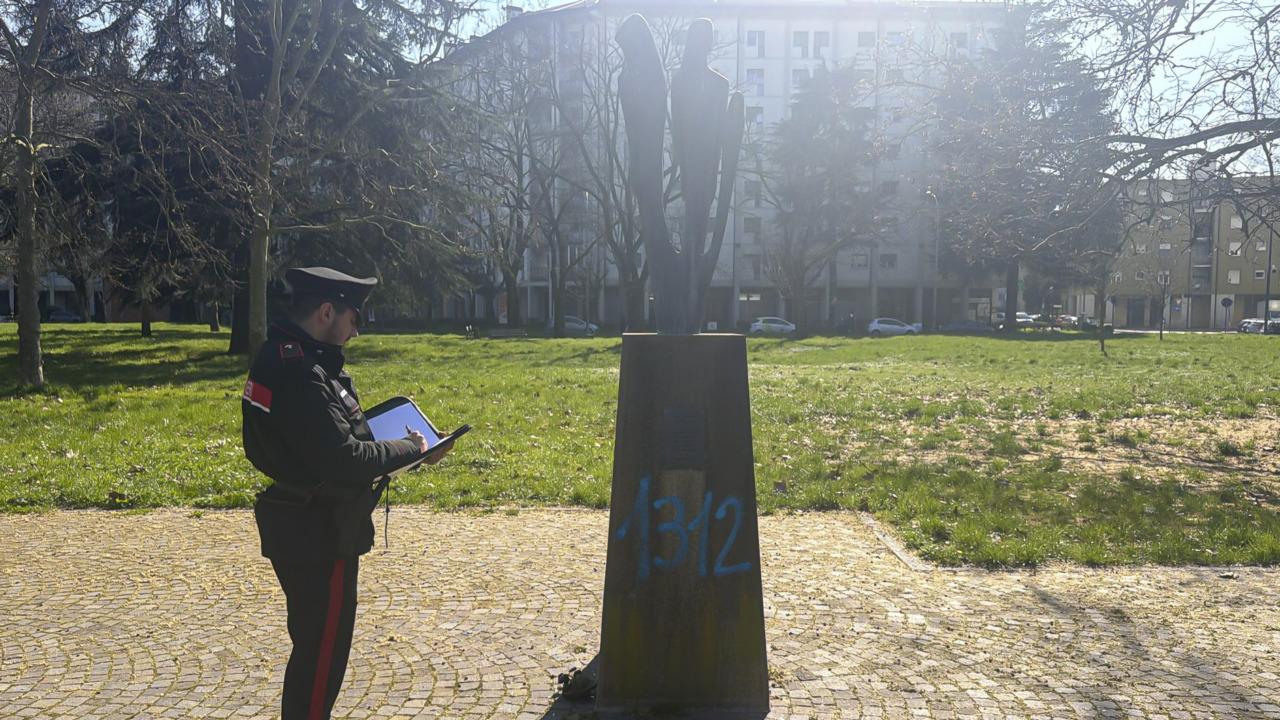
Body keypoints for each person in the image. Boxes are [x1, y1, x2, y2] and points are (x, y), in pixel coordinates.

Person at [241, 266, 452, 720]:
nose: (356, 331)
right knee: (321, 656)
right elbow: (344, 458)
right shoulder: (301, 372)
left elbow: (326, 439)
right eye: (354, 319)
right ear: (325, 311)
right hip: (321, 528)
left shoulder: (283, 355)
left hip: (300, 517)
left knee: (312, 646)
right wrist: (410, 447)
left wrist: (400, 454)